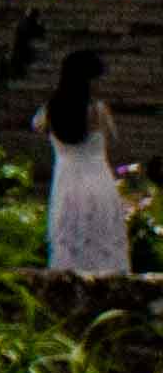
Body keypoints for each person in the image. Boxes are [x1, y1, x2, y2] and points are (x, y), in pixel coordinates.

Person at [51, 49, 131, 281]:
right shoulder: (98, 111)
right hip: (98, 182)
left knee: (68, 239)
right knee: (103, 241)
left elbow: (36, 126)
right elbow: (113, 137)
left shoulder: (50, 111)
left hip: (65, 183)